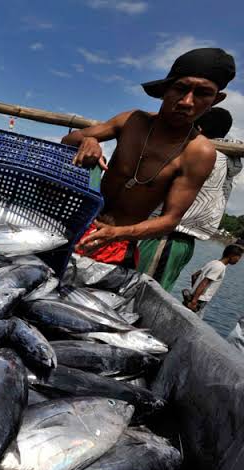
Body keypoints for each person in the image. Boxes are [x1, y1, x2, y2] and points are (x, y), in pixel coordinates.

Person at [62, 48, 236, 267]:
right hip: (76, 222)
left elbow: (170, 220)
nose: (187, 101)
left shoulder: (199, 153)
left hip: (117, 246)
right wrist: (88, 141)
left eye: (202, 93)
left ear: (215, 99)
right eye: (180, 88)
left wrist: (117, 233)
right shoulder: (132, 120)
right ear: (165, 90)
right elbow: (68, 139)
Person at [138, 107, 242, 290]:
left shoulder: (196, 152)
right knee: (159, 289)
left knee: (140, 287)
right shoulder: (228, 160)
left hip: (166, 237)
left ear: (199, 128)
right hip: (183, 242)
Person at [183, 244, 242, 318]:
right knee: (194, 319)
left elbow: (194, 275)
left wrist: (194, 290)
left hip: (195, 296)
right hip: (200, 299)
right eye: (238, 258)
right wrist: (194, 301)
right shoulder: (220, 267)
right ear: (231, 255)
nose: (238, 261)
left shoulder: (214, 262)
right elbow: (204, 282)